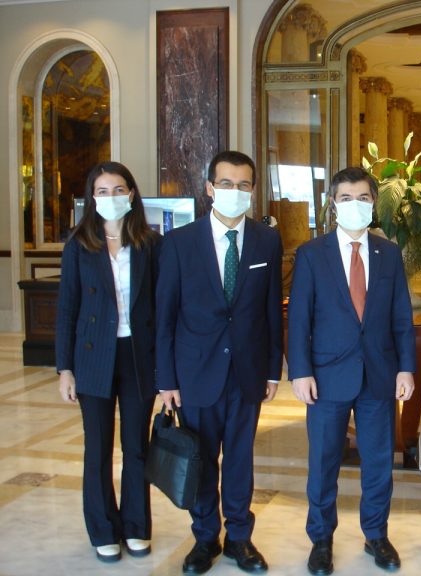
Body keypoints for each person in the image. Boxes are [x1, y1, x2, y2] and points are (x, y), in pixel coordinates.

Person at [155, 150, 283, 574]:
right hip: (196, 373)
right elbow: (165, 317)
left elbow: (270, 310)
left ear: (253, 190)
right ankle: (205, 537)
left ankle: (239, 539)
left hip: (247, 372)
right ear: (210, 188)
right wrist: (166, 379)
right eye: (226, 183)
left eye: (243, 184)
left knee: (240, 459)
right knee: (202, 458)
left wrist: (272, 369)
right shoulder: (179, 243)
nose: (234, 191)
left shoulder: (266, 240)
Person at [288, 166, 416, 575]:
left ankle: (376, 534)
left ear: (374, 203)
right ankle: (321, 539)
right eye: (346, 198)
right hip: (326, 377)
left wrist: (406, 369)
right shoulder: (312, 254)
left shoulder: (388, 253)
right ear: (333, 204)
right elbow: (300, 319)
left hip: (379, 374)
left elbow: (401, 317)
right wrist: (300, 371)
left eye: (363, 198)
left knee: (378, 462)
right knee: (323, 463)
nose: (354, 205)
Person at [55, 161, 161, 563]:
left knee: (136, 447)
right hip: (93, 358)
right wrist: (65, 369)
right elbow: (67, 310)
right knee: (97, 447)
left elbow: (162, 307)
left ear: (131, 194)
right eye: (102, 191)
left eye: (118, 190)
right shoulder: (78, 244)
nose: (111, 197)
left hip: (138, 355)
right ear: (92, 197)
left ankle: (136, 526)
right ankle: (102, 529)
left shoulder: (151, 243)